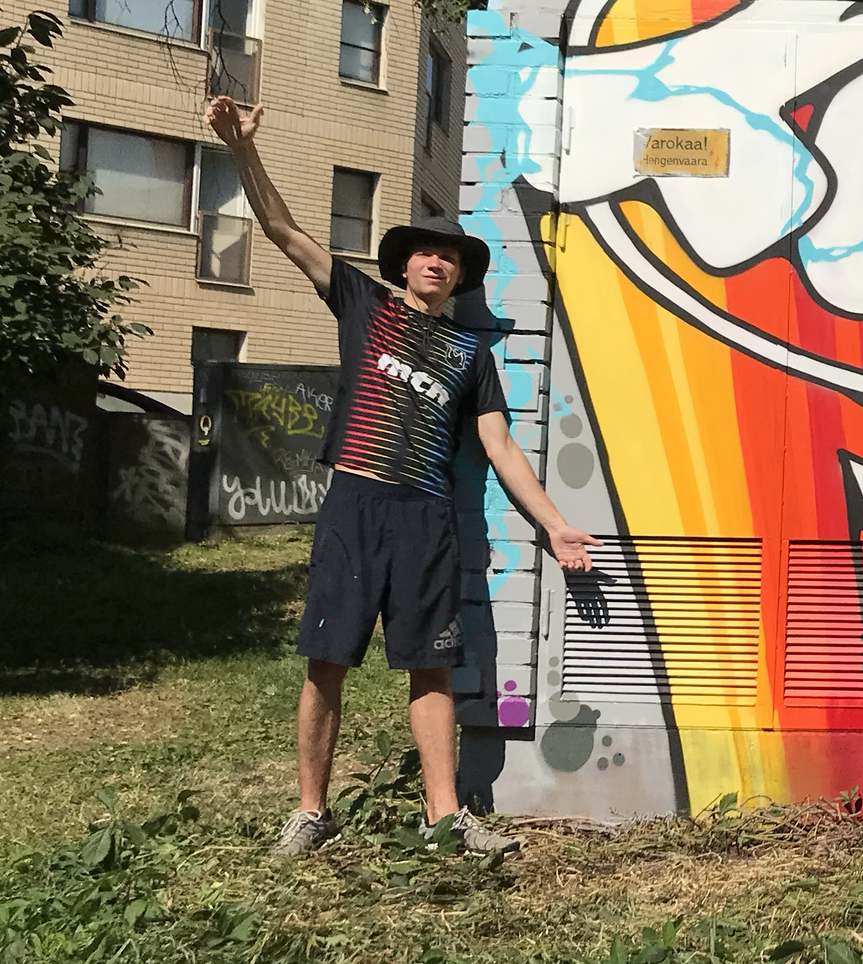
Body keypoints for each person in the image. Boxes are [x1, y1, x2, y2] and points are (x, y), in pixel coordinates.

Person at [205, 95, 597, 857]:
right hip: (355, 504)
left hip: (426, 516)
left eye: (450, 256)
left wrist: (554, 524)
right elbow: (284, 231)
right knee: (326, 663)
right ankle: (311, 812)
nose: (436, 261)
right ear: (405, 263)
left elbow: (500, 448)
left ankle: (443, 817)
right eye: (425, 251)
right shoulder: (363, 304)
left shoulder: (470, 356)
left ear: (459, 275)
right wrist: (241, 149)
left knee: (431, 668)